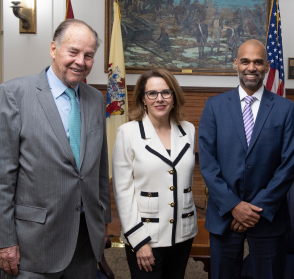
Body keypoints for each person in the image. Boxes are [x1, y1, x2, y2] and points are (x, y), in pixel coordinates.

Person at [0, 19, 111, 278]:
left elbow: (98, 170)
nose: (80, 62)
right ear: (53, 49)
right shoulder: (14, 94)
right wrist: (5, 240)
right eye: (73, 52)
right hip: (33, 246)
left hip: (84, 243)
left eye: (88, 55)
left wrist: (102, 222)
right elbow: (3, 177)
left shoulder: (96, 99)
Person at [198, 39, 294, 279]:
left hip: (267, 217)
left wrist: (254, 210)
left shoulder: (285, 109)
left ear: (266, 66)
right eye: (245, 61)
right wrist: (234, 206)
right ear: (236, 64)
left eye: (258, 62)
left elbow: (288, 165)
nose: (251, 67)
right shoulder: (214, 106)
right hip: (224, 215)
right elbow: (208, 163)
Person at [112, 69, 198, 279]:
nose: (159, 99)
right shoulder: (128, 133)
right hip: (145, 234)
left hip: (183, 231)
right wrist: (139, 240)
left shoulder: (188, 130)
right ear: (143, 98)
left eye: (166, 93)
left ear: (174, 97)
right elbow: (123, 192)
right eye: (152, 93)